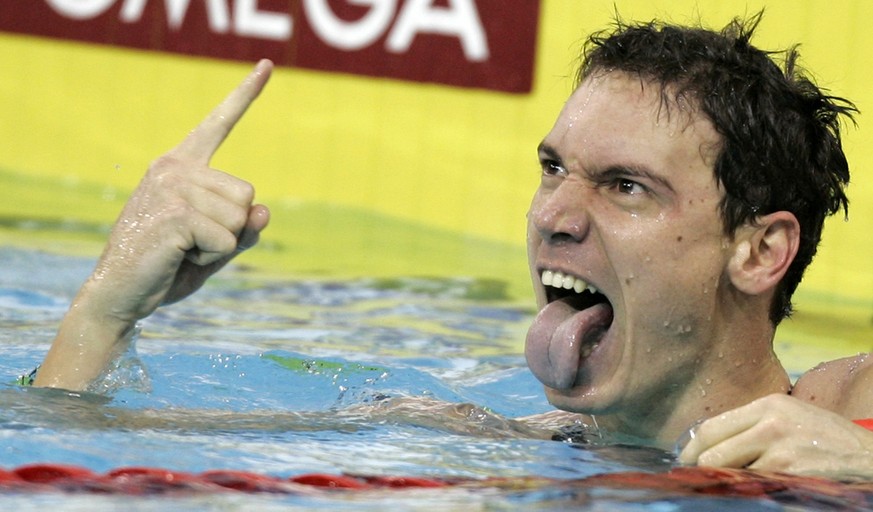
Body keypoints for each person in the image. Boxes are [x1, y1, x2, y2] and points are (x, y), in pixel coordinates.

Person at [28, 15, 873, 479]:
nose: (556, 216)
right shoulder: (495, 446)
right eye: (552, 169)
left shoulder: (848, 412)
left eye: (625, 187)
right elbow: (74, 466)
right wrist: (107, 306)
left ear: (759, 252)